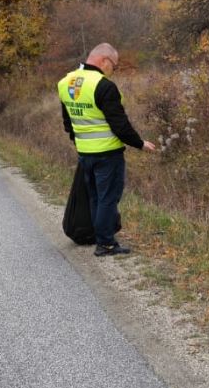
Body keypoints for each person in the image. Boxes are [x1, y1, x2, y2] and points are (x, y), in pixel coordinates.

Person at [57, 43, 156, 257]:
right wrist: (140, 143)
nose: (113, 70)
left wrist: (81, 143)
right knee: (108, 198)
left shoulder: (66, 82)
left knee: (95, 197)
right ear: (104, 61)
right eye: (114, 66)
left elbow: (68, 123)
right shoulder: (104, 86)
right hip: (108, 154)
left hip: (85, 153)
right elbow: (119, 125)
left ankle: (98, 235)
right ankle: (106, 243)